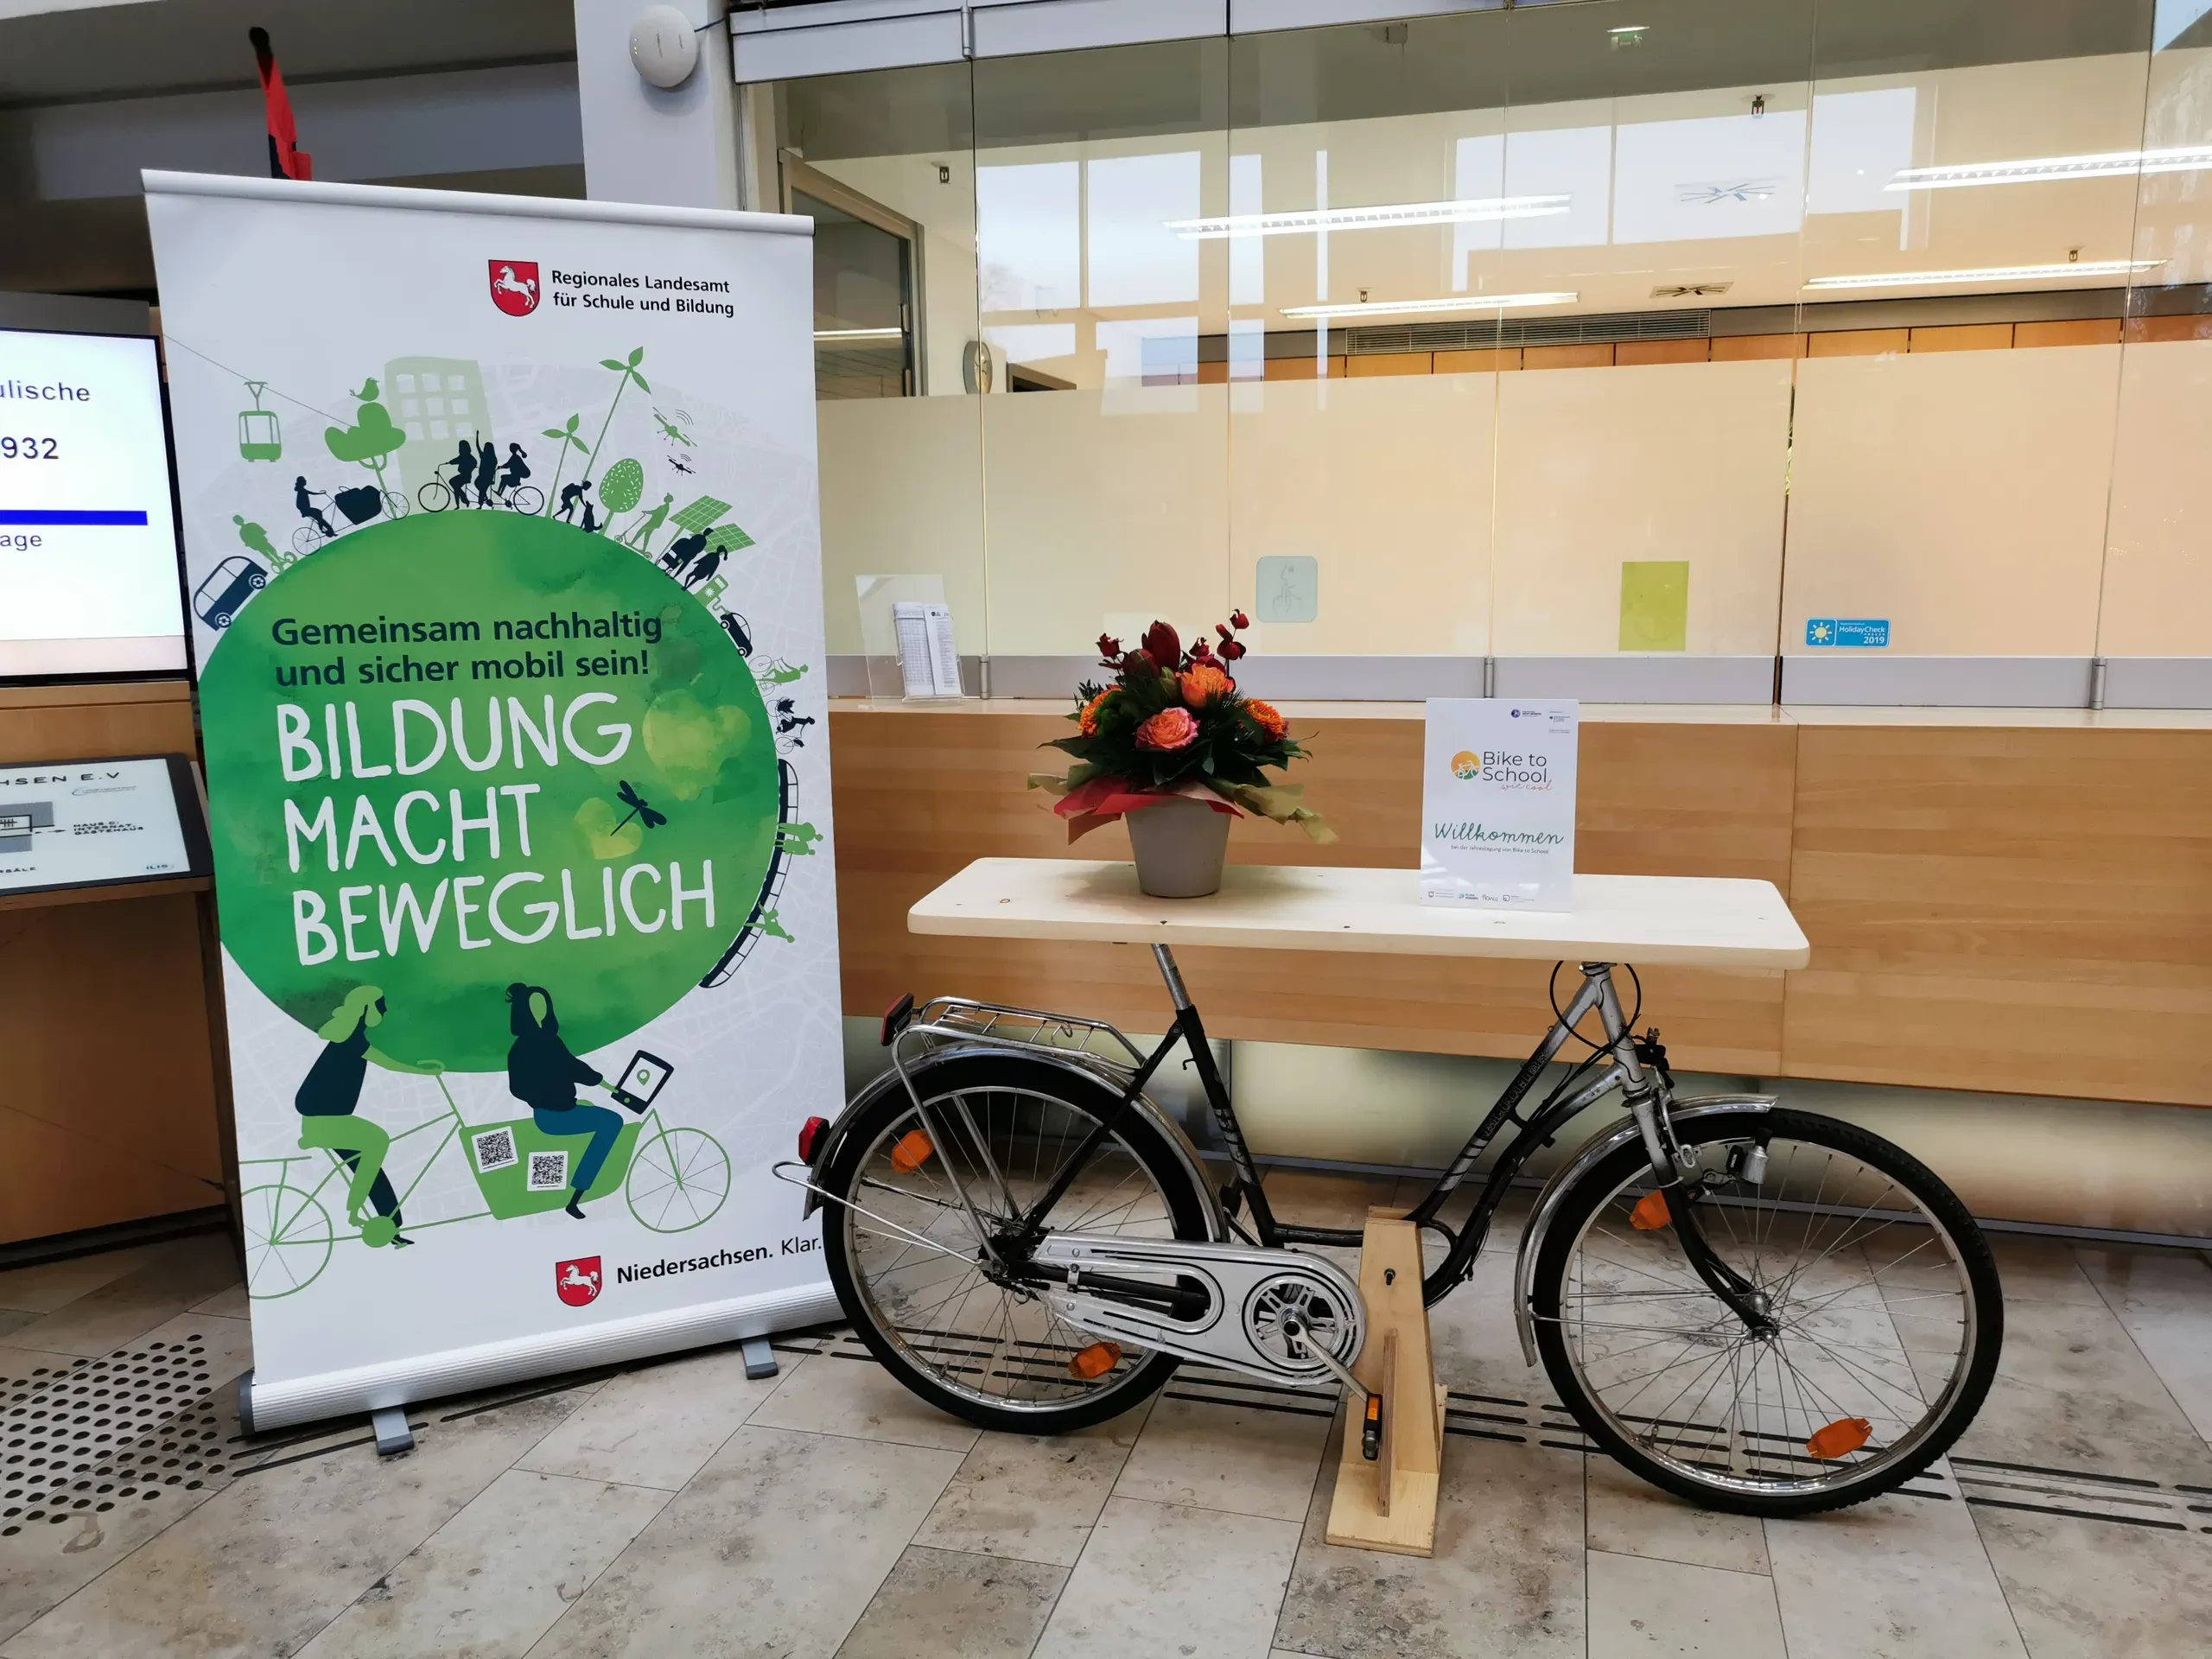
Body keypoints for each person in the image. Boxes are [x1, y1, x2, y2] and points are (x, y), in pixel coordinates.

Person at [294, 986, 442, 1248]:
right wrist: (426, 1072)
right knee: (377, 1141)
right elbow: (387, 1062)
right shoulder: (352, 1039)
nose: (384, 1010)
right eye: (380, 1005)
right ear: (368, 1009)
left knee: (369, 1164)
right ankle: (354, 1209)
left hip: (326, 1118)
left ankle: (390, 1226)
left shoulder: (349, 1035)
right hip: (325, 1119)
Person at [505, 984, 621, 1220]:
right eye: (534, 1007)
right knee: (613, 1122)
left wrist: (608, 1086)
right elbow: (520, 1087)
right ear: (524, 1010)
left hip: (559, 1110)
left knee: (592, 1109)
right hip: (553, 1116)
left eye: (543, 1006)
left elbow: (574, 1067)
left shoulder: (544, 1042)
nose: (540, 1011)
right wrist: (547, 1097)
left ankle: (575, 1195)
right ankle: (576, 1197)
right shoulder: (532, 1046)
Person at [293, 475, 335, 540]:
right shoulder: (301, 490)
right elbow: (312, 493)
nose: (306, 481)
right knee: (319, 515)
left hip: (306, 509)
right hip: (306, 510)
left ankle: (329, 531)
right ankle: (324, 530)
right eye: (304, 480)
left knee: (319, 517)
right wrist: (322, 493)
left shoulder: (301, 489)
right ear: (302, 482)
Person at [477, 438, 497, 507]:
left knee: (481, 488)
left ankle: (481, 504)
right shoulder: (494, 458)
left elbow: (478, 447)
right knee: (481, 488)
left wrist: (477, 436)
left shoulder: (483, 456)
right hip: (489, 477)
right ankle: (484, 499)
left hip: (483, 477)